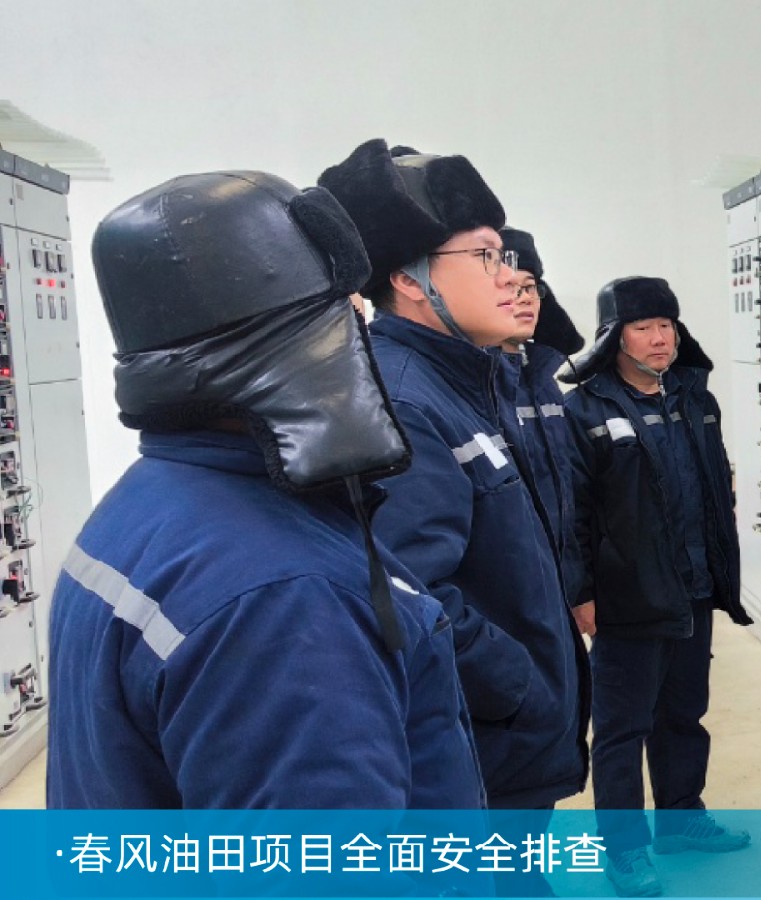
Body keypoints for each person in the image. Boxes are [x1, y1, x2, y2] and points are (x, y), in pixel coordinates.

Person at [47, 170, 482, 809]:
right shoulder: (289, 599)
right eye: (348, 310)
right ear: (313, 341)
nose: (364, 327)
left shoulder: (146, 504)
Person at [317, 141, 587, 819]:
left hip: (502, 745)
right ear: (410, 281)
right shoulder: (406, 401)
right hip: (477, 755)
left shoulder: (468, 381)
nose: (510, 276)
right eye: (486, 255)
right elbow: (409, 594)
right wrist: (522, 687)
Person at [562, 276, 755, 897]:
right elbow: (573, 512)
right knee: (623, 728)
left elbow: (714, 489)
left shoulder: (695, 398)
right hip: (627, 594)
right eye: (642, 328)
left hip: (693, 586)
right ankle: (624, 851)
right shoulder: (586, 410)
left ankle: (681, 818)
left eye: (666, 326)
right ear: (613, 338)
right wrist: (580, 590)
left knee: (683, 712)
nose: (659, 339)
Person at [497, 227, 588, 612]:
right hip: (511, 602)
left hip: (558, 588)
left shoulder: (543, 381)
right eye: (510, 287)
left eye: (530, 287)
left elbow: (566, 493)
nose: (524, 299)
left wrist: (579, 588)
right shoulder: (474, 386)